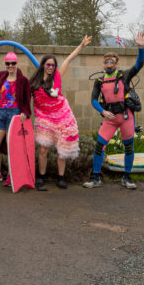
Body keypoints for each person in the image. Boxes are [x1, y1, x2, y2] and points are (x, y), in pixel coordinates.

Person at [84, 32, 144, 190]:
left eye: (112, 61)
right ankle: (96, 177)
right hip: (110, 118)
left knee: (129, 147)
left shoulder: (124, 76)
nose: (109, 64)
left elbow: (139, 64)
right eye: (106, 61)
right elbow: (93, 99)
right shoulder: (99, 81)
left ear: (117, 64)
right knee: (99, 146)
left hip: (126, 116)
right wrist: (103, 112)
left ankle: (127, 177)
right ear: (103, 64)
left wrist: (141, 47)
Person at [30, 35, 92, 190]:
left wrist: (81, 46)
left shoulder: (57, 75)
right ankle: (41, 177)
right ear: (43, 65)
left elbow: (68, 60)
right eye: (48, 64)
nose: (51, 67)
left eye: (53, 65)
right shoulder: (35, 82)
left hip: (62, 116)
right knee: (43, 148)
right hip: (44, 118)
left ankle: (61, 178)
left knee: (62, 148)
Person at [0, 52, 32, 186]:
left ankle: (12, 175)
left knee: (13, 147)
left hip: (14, 115)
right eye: (8, 63)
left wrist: (25, 113)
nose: (10, 66)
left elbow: (27, 101)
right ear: (5, 64)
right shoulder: (1, 77)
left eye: (13, 63)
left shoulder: (23, 81)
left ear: (17, 64)